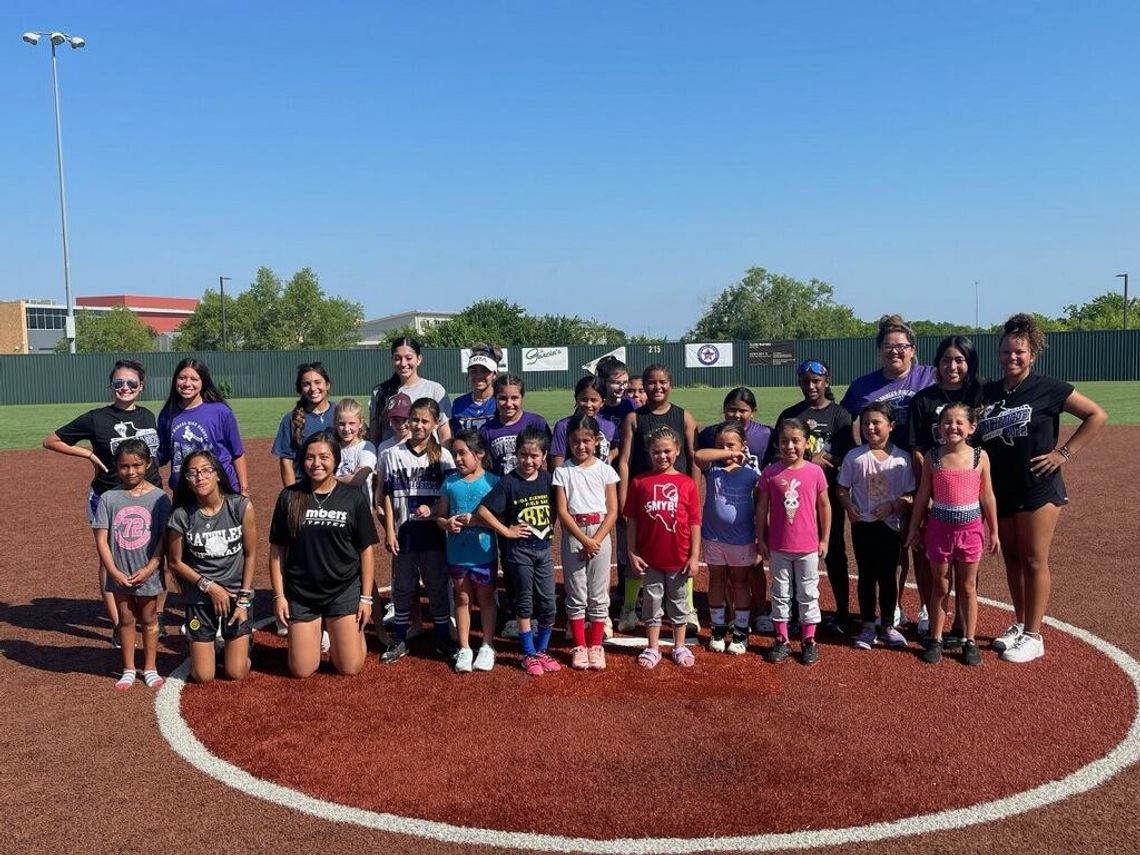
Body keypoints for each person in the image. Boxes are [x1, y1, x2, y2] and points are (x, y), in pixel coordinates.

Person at [978, 313, 1107, 663]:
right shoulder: (987, 391)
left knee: (1035, 560)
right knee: (1013, 559)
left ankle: (1035, 635)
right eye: (1006, 352)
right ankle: (1020, 623)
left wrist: (1063, 453)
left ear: (1032, 354)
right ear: (998, 353)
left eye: (1019, 352)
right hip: (1001, 487)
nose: (1013, 358)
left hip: (1038, 486)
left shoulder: (1049, 387)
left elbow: (1096, 415)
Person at [44, 359, 162, 648]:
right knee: (109, 558)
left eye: (132, 383)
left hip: (150, 497)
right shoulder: (97, 418)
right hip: (109, 497)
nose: (125, 388)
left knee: (157, 557)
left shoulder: (148, 416)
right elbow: (52, 440)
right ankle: (117, 624)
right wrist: (88, 455)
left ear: (141, 386)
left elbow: (155, 457)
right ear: (111, 386)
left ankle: (153, 618)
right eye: (119, 383)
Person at [840, 314, 936, 627]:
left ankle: (926, 606)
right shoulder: (864, 386)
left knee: (922, 543)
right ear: (879, 350)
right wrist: (856, 454)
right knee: (894, 546)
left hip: (925, 472)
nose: (894, 352)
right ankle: (891, 606)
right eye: (887, 346)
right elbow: (843, 422)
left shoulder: (930, 376)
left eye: (901, 346)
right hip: (884, 476)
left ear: (913, 349)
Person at [269, 431, 377, 678]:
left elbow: (366, 550)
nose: (316, 464)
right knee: (302, 670)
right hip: (302, 592)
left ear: (336, 460)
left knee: (349, 668)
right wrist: (279, 596)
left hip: (343, 589)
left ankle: (348, 636)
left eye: (324, 457)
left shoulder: (353, 497)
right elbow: (277, 551)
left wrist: (366, 599)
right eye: (309, 457)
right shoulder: (289, 496)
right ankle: (318, 634)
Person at [906, 403, 999, 666]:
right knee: (941, 585)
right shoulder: (933, 458)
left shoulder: (980, 456)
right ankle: (936, 638)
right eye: (947, 422)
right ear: (938, 428)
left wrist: (994, 530)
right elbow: (923, 496)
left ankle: (969, 640)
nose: (953, 427)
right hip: (939, 532)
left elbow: (987, 496)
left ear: (972, 427)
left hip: (970, 532)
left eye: (959, 422)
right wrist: (914, 528)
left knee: (968, 587)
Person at [907, 336, 986, 641]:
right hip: (936, 492)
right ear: (937, 364)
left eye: (959, 360)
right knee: (936, 564)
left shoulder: (979, 395)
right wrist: (933, 485)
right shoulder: (924, 399)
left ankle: (963, 629)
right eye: (945, 360)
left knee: (967, 568)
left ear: (969, 363)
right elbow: (916, 447)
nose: (952, 366)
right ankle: (933, 621)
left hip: (968, 496)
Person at [617, 364, 699, 635]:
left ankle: (688, 609)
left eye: (662, 382)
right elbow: (625, 461)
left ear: (671, 384)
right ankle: (629, 608)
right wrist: (624, 497)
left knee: (681, 553)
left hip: (677, 497)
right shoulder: (633, 418)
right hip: (643, 496)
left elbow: (693, 458)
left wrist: (694, 494)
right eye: (651, 383)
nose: (656, 387)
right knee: (637, 554)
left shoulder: (684, 417)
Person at [773, 360, 854, 635]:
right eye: (805, 381)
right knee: (793, 554)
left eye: (816, 381)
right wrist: (809, 459)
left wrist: (826, 458)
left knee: (834, 553)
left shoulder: (840, 415)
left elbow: (847, 456)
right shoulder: (790, 415)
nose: (810, 386)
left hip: (827, 495)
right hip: (793, 498)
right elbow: (775, 454)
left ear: (826, 382)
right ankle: (795, 613)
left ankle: (842, 613)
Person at [476, 425, 561, 676]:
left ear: (544, 457)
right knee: (524, 603)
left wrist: (550, 526)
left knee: (548, 604)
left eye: (534, 456)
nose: (528, 460)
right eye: (523, 455)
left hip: (543, 550)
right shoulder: (509, 482)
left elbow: (556, 506)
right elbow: (483, 511)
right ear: (516, 454)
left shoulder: (547, 479)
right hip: (519, 552)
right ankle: (528, 654)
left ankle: (542, 650)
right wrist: (507, 531)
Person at [166, 449, 257, 682]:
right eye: (192, 473)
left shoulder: (240, 506)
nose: (200, 477)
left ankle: (243, 644)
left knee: (235, 672)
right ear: (186, 480)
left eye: (206, 471)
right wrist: (210, 587)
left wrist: (243, 600)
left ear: (217, 474)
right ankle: (206, 645)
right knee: (203, 676)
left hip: (237, 594)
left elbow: (251, 552)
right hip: (200, 596)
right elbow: (175, 562)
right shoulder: (181, 515)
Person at [378, 398, 457, 664]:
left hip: (434, 533)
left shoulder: (443, 456)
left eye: (425, 421)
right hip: (404, 533)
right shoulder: (393, 454)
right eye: (415, 420)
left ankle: (442, 636)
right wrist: (389, 529)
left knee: (436, 585)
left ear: (435, 423)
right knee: (403, 586)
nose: (419, 425)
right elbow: (387, 496)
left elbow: (450, 495)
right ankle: (399, 637)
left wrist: (434, 510)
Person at [92, 439, 172, 690]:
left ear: (148, 464)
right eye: (124, 466)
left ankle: (150, 667)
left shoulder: (160, 498)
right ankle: (128, 667)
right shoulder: (109, 498)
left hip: (147, 571)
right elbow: (102, 541)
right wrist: (114, 572)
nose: (131, 471)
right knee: (125, 620)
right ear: (116, 467)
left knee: (149, 618)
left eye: (137, 465)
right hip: (120, 574)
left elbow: (163, 539)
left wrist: (150, 568)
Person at [837, 403, 916, 651]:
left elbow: (911, 495)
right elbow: (841, 488)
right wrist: (849, 507)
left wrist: (894, 506)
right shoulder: (855, 457)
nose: (870, 428)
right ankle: (868, 625)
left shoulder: (902, 459)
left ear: (891, 426)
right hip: (864, 526)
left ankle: (888, 625)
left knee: (888, 576)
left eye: (877, 423)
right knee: (867, 576)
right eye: (865, 423)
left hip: (891, 527)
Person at [623, 425, 702, 669]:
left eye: (667, 451)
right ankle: (653, 647)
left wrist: (694, 556)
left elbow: (694, 522)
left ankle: (679, 646)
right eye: (656, 452)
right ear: (649, 452)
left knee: (679, 604)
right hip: (650, 558)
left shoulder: (687, 483)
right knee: (652, 603)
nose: (662, 456)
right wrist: (632, 552)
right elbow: (632, 520)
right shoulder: (639, 483)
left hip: (678, 557)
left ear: (677, 450)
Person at [696, 386, 772, 632]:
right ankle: (730, 613)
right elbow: (700, 458)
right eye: (731, 409)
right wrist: (728, 451)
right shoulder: (711, 434)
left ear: (753, 411)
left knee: (753, 568)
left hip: (746, 520)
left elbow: (766, 480)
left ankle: (760, 610)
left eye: (743, 410)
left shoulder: (765, 435)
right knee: (723, 574)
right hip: (717, 528)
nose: (737, 415)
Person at [757, 418, 830, 665]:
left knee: (808, 592)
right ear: (777, 444)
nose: (790, 446)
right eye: (784, 441)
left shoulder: (815, 471)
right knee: (780, 593)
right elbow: (762, 509)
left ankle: (809, 639)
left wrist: (825, 539)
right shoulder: (770, 472)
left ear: (805, 442)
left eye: (795, 441)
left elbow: (824, 506)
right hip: (779, 546)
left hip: (807, 546)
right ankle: (782, 638)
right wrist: (762, 539)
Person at [553, 414, 620, 670]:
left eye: (586, 441)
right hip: (575, 532)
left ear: (596, 440)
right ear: (568, 442)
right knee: (576, 590)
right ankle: (580, 646)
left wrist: (596, 540)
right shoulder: (562, 471)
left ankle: (596, 645)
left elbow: (612, 510)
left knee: (599, 590)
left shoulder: (605, 470)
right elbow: (562, 511)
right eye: (575, 442)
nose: (581, 446)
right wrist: (584, 539)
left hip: (600, 531)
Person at [436, 430, 499, 673]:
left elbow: (499, 518)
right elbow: (440, 517)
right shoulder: (450, 483)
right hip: (457, 554)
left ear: (480, 454)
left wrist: (478, 520)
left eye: (463, 453)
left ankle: (487, 644)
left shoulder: (492, 482)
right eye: (455, 454)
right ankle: (464, 647)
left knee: (485, 598)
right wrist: (446, 523)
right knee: (462, 598)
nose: (458, 459)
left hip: (484, 553)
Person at [696, 421, 759, 656]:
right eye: (720, 445)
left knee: (740, 582)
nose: (725, 450)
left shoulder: (751, 471)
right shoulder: (712, 468)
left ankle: (741, 629)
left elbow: (761, 501)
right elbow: (699, 455)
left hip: (742, 538)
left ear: (743, 445)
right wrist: (727, 452)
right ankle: (718, 628)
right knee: (716, 581)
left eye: (731, 445)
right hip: (714, 537)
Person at [157, 358, 248, 494]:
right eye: (182, 378)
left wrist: (244, 490)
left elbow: (237, 453)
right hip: (184, 491)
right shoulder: (167, 414)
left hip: (219, 489)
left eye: (194, 379)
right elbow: (162, 453)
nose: (187, 383)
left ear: (203, 382)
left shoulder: (220, 412)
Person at [369, 336, 452, 445]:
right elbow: (374, 436)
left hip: (427, 459)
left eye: (408, 358)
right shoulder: (380, 392)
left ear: (419, 359)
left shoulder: (435, 390)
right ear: (392, 360)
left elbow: (444, 434)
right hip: (390, 459)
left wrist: (443, 459)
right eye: (397, 358)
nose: (403, 364)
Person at [272, 362, 337, 488]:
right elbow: (286, 461)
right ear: (300, 389)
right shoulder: (291, 419)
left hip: (339, 487)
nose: (313, 388)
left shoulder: (341, 413)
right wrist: (292, 494)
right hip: (305, 488)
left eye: (318, 382)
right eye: (306, 384)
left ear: (327, 385)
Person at [550, 376, 619, 468]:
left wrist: (608, 458)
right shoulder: (563, 426)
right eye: (584, 399)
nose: (588, 404)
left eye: (594, 400)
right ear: (576, 399)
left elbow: (615, 448)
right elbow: (558, 463)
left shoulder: (609, 426)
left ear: (602, 402)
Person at [449, 342, 501, 435]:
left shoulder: (501, 401)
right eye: (474, 371)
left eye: (485, 371)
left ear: (494, 374)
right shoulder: (459, 404)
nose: (478, 375)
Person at [333, 398, 378, 501]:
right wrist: (348, 477)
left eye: (352, 423)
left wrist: (332, 478)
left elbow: (358, 479)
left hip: (360, 507)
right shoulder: (332, 447)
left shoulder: (366, 447)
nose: (346, 429)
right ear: (335, 423)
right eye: (341, 424)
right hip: (336, 507)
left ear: (361, 423)